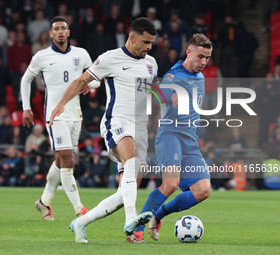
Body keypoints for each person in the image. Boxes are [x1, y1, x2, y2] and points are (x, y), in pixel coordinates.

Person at [49, 17, 158, 243]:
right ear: (132, 38)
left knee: (124, 193)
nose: (149, 47)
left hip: (140, 129)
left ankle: (80, 223)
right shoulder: (110, 57)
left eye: (151, 43)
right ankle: (131, 219)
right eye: (146, 42)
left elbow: (140, 90)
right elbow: (82, 80)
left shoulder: (152, 63)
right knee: (132, 162)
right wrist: (61, 104)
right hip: (116, 122)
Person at [132, 33, 212, 242]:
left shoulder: (201, 77)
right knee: (170, 184)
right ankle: (136, 230)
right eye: (200, 56)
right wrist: (172, 95)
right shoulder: (173, 76)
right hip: (170, 135)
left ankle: (157, 216)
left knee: (203, 190)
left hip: (190, 141)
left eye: (207, 58)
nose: (203, 62)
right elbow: (160, 93)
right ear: (189, 51)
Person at [21, 16, 99, 221]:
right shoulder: (42, 56)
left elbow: (98, 77)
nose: (60, 32)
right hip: (55, 116)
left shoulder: (81, 54)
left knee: (61, 160)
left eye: (63, 28)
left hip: (76, 115)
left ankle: (44, 202)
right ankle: (79, 208)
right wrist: (26, 107)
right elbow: (25, 79)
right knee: (68, 158)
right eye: (56, 29)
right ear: (51, 34)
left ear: (69, 32)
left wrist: (91, 85)